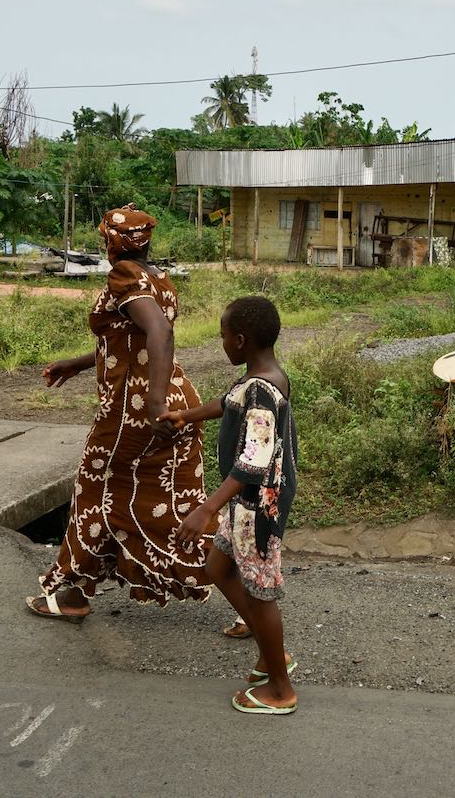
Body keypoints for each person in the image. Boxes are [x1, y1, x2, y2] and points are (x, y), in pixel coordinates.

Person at [26, 204, 211, 621]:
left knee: (94, 492)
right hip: (174, 400)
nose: (102, 244)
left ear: (114, 241)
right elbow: (129, 341)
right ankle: (248, 592)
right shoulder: (158, 278)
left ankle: (72, 592)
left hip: (134, 410)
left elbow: (159, 332)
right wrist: (76, 364)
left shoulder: (125, 275)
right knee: (171, 503)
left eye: (104, 237)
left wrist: (155, 403)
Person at [164, 295, 299, 715]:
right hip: (245, 500)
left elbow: (254, 460)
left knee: (260, 592)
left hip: (257, 504)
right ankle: (271, 653)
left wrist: (206, 507)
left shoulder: (260, 389)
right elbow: (226, 405)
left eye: (222, 336)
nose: (220, 342)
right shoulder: (259, 377)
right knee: (218, 567)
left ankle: (280, 688)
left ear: (240, 340)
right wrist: (187, 415)